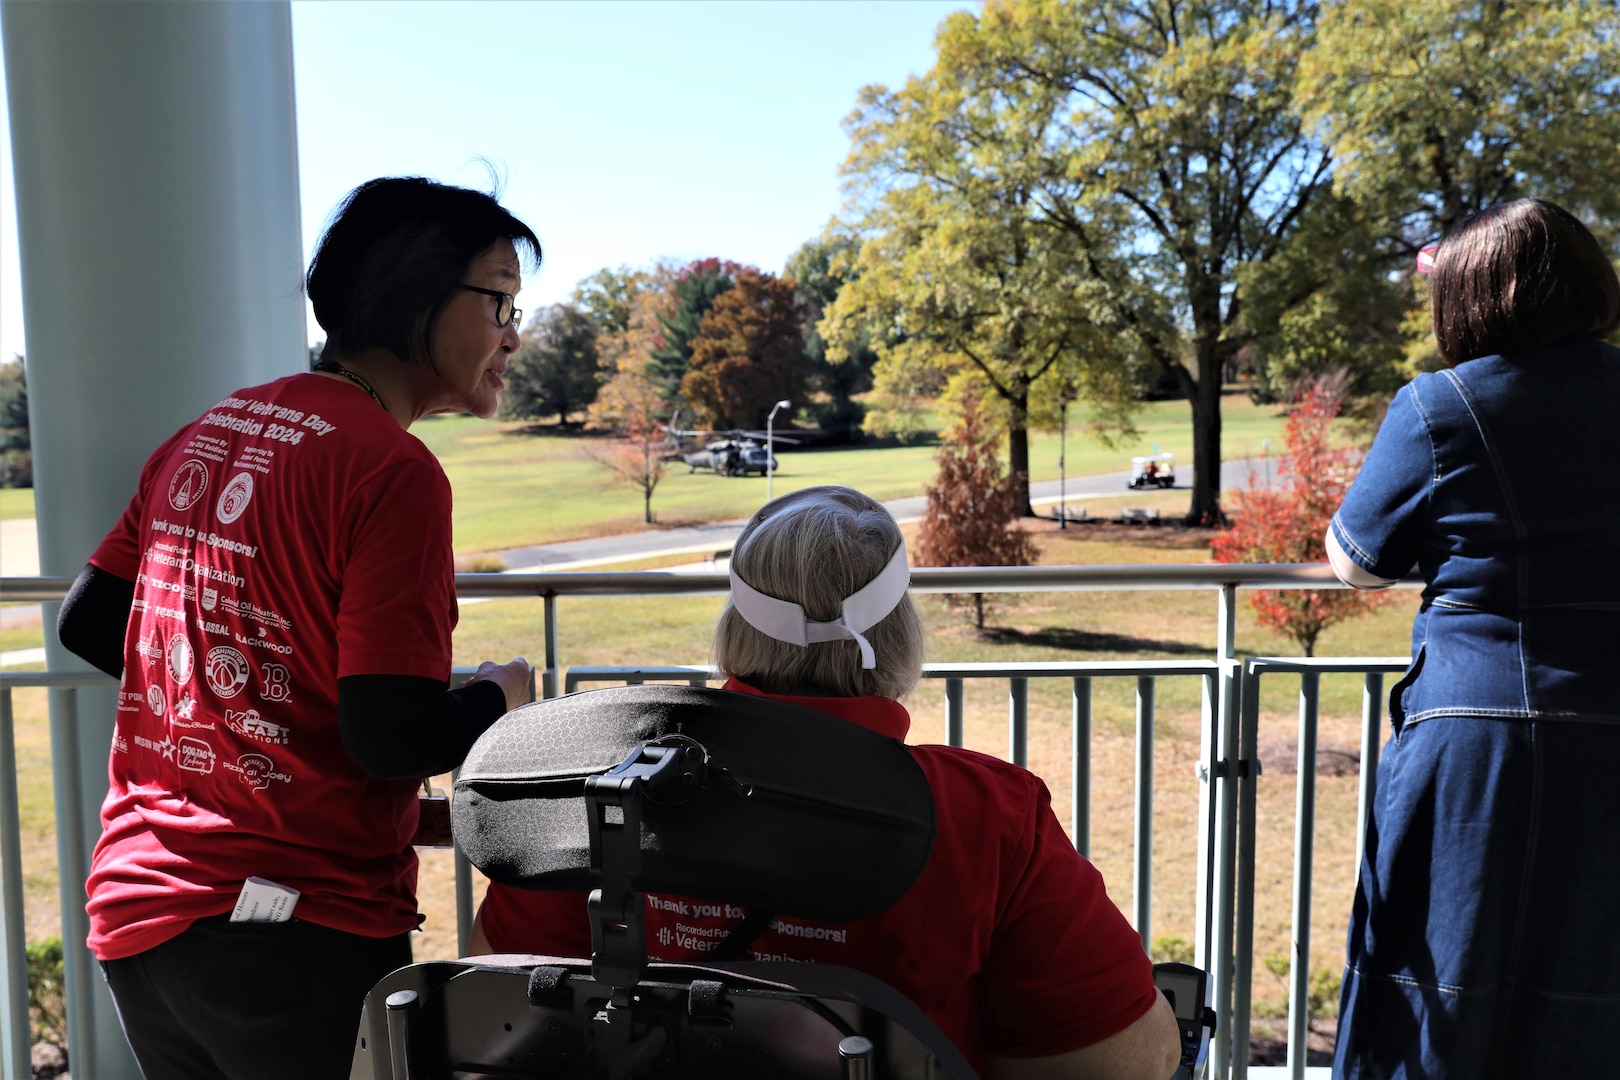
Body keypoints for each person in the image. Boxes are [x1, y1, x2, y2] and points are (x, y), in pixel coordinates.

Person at [56, 176, 540, 1080]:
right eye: (501, 299)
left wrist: (246, 707)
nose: (515, 332)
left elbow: (90, 622)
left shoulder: (215, 427)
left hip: (141, 912)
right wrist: (496, 697)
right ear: (416, 292)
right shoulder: (392, 472)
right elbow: (390, 735)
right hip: (293, 934)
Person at [467, 485, 1182, 1080]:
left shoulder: (599, 795)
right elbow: (1126, 1062)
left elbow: (493, 1014)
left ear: (735, 630)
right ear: (901, 632)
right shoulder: (987, 817)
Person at [1325, 198, 1620, 1079]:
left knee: (1434, 992)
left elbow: (1356, 561)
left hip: (1473, 745)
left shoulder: (1440, 406)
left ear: (1474, 297)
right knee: (1589, 995)